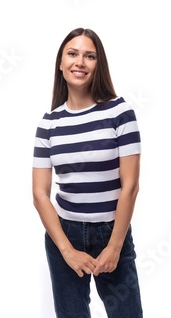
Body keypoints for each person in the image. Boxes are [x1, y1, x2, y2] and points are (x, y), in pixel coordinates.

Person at [32, 27, 144, 318]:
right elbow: (40, 193)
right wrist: (67, 251)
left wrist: (115, 246)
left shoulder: (120, 113)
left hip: (112, 231)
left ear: (99, 64)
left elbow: (130, 186)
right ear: (61, 62)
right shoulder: (49, 123)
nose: (79, 62)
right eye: (72, 54)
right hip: (63, 235)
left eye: (89, 56)